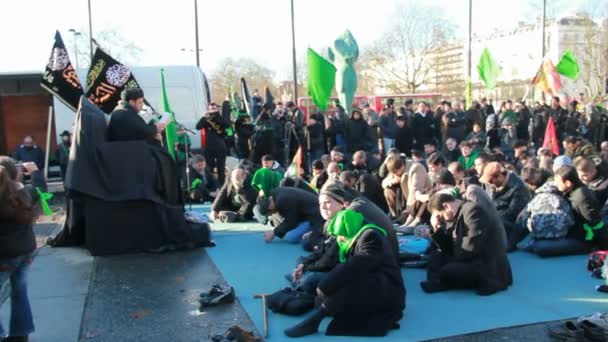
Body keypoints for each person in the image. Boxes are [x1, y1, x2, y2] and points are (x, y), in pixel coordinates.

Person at [284, 208, 405, 337]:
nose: (340, 239)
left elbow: (357, 264)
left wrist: (326, 285)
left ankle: (315, 321)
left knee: (348, 286)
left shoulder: (371, 236)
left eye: (341, 234)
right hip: (370, 282)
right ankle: (320, 313)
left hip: (386, 290)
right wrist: (307, 266)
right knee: (326, 286)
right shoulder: (355, 234)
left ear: (348, 227)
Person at [422, 192, 512, 295]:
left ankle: (442, 280)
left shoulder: (472, 211)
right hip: (467, 255)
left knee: (446, 270)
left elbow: (470, 249)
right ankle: (441, 280)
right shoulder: (456, 213)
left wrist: (449, 260)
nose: (442, 220)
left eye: (441, 217)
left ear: (446, 206)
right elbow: (447, 247)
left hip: (484, 264)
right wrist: (437, 228)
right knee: (435, 257)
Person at [0, 156, 46, 341]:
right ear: (16, 173)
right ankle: (21, 334)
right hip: (25, 251)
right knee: (20, 291)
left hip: (3, 255)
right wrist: (35, 172)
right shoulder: (24, 194)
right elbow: (41, 190)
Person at [554, 165, 608, 252]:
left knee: (541, 247)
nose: (556, 184)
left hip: (585, 239)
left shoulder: (581, 198)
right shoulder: (573, 191)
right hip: (576, 232)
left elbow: (595, 223)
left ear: (568, 183)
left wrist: (604, 248)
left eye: (558, 182)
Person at [479, 162, 531, 250]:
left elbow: (513, 213)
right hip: (497, 216)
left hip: (513, 223)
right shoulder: (492, 185)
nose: (489, 184)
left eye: (491, 181)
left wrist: (491, 216)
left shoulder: (518, 188)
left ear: (500, 177)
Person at [258, 187, 324, 249]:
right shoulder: (276, 193)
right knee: (283, 228)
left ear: (270, 207)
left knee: (291, 237)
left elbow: (291, 221)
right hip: (305, 214)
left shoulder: (283, 200)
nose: (272, 214)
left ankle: (312, 231)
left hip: (314, 217)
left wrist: (274, 232)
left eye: (271, 213)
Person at [196, 103, 230, 186]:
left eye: (214, 108)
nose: (213, 110)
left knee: (221, 169)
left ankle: (222, 185)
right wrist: (204, 117)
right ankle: (211, 185)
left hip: (220, 146)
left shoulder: (220, 117)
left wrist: (217, 115)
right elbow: (198, 127)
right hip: (209, 147)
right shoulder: (206, 119)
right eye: (211, 109)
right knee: (209, 168)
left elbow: (227, 125)